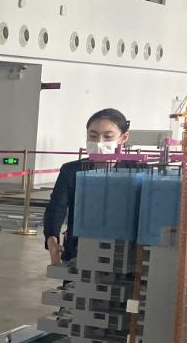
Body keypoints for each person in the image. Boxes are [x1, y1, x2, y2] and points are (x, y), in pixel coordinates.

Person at [44, 108, 136, 264]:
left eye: (108, 136)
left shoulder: (136, 171)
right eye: (93, 136)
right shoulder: (71, 170)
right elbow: (56, 207)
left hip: (126, 252)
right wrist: (52, 239)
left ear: (123, 137)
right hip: (78, 249)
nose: (99, 142)